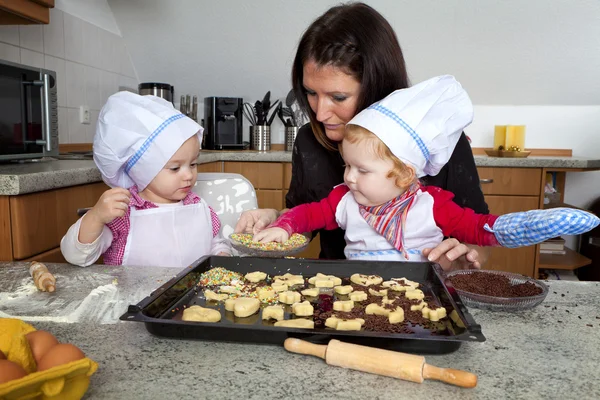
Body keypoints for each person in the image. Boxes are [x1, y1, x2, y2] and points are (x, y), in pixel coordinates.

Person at [235, 2, 489, 270]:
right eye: (311, 93)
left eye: (338, 97)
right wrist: (276, 219)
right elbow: (310, 216)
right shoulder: (311, 140)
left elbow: (480, 239)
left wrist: (466, 258)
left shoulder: (439, 140)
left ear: (376, 85)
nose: (320, 114)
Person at [253, 76, 599, 260]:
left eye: (362, 170)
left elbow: (480, 228)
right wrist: (284, 226)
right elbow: (306, 215)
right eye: (347, 165)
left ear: (404, 174)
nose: (348, 177)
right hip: (353, 293)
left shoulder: (432, 205)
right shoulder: (344, 200)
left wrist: (530, 225)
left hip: (421, 297)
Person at [61, 91, 231, 268]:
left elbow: (215, 243)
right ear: (142, 172)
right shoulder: (123, 213)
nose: (188, 175)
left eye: (193, 164)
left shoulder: (199, 206)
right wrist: (96, 217)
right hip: (134, 295)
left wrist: (221, 253)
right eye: (175, 168)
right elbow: (77, 256)